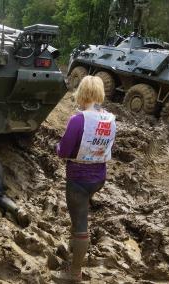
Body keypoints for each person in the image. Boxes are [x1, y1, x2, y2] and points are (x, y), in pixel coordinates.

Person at [52, 76, 116, 282]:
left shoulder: (78, 120)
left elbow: (64, 152)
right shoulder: (109, 118)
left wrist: (57, 147)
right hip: (99, 177)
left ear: (82, 93)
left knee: (80, 223)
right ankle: (74, 249)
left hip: (79, 178)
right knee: (79, 215)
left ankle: (75, 273)